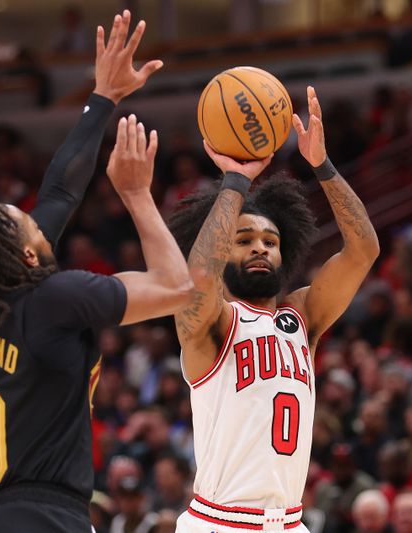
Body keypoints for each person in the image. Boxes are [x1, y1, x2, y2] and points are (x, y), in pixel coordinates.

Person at [0, 11, 191, 533]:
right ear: (29, 256)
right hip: (45, 518)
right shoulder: (54, 299)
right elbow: (176, 287)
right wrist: (136, 195)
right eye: (27, 222)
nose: (38, 216)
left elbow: (61, 190)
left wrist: (103, 96)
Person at [169, 86, 380, 531]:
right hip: (222, 523)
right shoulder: (212, 324)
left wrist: (322, 165)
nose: (261, 248)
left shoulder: (300, 316)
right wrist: (235, 181)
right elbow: (200, 279)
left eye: (270, 241)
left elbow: (363, 250)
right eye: (243, 241)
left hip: (291, 524)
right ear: (220, 250)